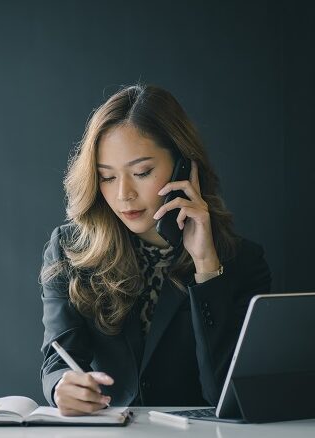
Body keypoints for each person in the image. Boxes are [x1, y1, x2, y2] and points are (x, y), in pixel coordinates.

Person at [39, 84, 271, 415]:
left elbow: (226, 395)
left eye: (142, 172)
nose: (123, 194)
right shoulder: (70, 249)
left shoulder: (242, 262)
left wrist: (206, 267)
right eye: (107, 177)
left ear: (183, 167)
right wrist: (62, 386)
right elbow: (58, 359)